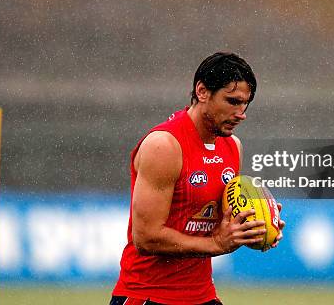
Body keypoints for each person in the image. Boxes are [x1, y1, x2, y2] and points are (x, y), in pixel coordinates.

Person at [111, 52, 285, 305]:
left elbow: (209, 220)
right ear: (202, 91)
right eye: (232, 101)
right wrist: (216, 244)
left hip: (202, 296)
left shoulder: (233, 147)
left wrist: (253, 227)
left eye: (245, 104)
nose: (241, 113)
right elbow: (146, 237)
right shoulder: (165, 145)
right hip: (148, 295)